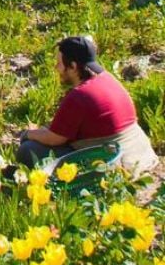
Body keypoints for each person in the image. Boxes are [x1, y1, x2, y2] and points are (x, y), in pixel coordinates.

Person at [17, 36, 158, 175]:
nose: (56, 67)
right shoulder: (108, 78)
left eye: (59, 63)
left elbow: (54, 139)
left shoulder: (79, 96)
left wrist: (28, 134)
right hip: (138, 152)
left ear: (72, 66)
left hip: (111, 161)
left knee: (28, 149)